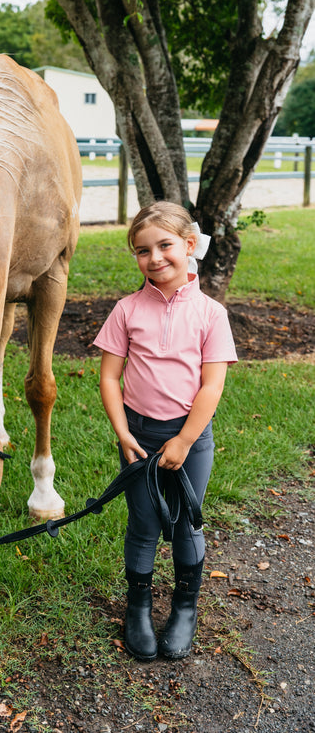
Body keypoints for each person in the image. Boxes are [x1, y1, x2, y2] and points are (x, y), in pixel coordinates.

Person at [93, 201, 237, 661]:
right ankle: (137, 609)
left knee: (185, 523)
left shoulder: (211, 314)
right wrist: (123, 434)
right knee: (143, 524)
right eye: (142, 250)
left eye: (165, 245)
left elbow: (212, 385)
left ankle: (184, 609)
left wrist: (185, 440)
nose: (154, 258)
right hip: (138, 438)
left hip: (190, 438)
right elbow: (109, 378)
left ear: (189, 245)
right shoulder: (126, 310)